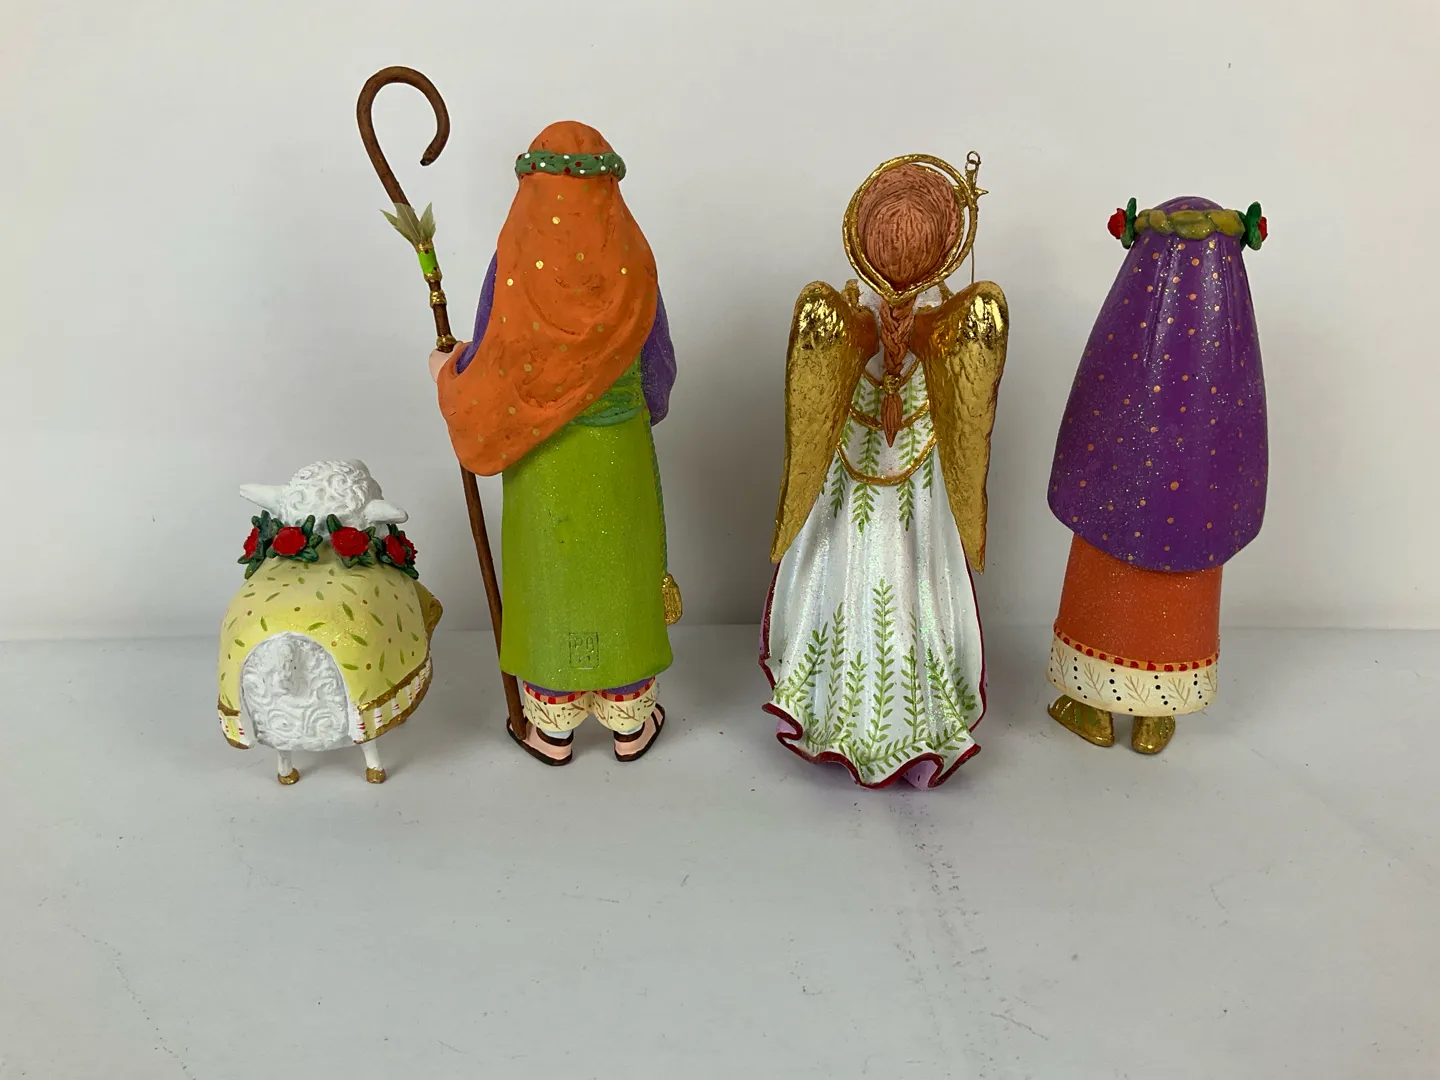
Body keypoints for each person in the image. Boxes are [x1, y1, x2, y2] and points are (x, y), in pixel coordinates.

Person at [428, 121, 679, 766]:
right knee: (621, 572)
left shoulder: (513, 264)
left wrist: (450, 373)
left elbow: (492, 357)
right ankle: (630, 723)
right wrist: (632, 411)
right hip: (620, 456)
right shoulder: (634, 262)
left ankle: (552, 729)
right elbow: (659, 370)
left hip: (541, 458)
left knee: (550, 576)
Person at [761, 153, 1008, 789]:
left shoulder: (851, 327)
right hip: (919, 483)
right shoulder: (942, 332)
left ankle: (838, 704)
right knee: (914, 566)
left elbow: (814, 434)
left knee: (849, 562)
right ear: (945, 254)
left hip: (854, 478)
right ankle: (911, 714)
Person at [1046, 196, 1269, 754]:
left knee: (1113, 564)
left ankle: (1093, 705)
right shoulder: (1231, 344)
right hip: (1197, 498)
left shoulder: (1127, 328)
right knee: (1183, 564)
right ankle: (1155, 714)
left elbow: (1090, 410)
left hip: (1113, 495)